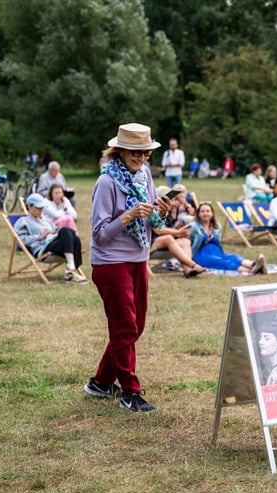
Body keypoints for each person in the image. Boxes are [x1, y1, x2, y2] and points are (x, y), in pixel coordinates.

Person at [84, 122, 175, 413]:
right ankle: (130, 391)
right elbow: (99, 233)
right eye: (135, 152)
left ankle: (100, 383)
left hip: (138, 258)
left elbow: (149, 221)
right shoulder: (107, 182)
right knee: (124, 326)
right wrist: (127, 215)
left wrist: (159, 210)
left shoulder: (144, 175)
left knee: (135, 327)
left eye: (145, 152)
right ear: (120, 150)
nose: (141, 158)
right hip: (110, 263)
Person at [15, 193, 87, 284]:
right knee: (66, 231)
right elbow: (20, 241)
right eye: (38, 208)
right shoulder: (23, 221)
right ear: (29, 206)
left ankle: (70, 270)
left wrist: (55, 232)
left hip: (55, 243)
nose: (41, 210)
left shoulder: (45, 220)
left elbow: (57, 230)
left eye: (42, 208)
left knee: (71, 235)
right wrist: (40, 236)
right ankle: (71, 269)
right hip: (43, 248)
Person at [189, 202, 266, 274]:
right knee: (222, 262)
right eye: (202, 211)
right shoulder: (194, 226)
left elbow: (218, 242)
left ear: (212, 214)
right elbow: (190, 242)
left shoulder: (217, 226)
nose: (205, 213)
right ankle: (256, 270)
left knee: (233, 256)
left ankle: (252, 264)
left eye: (207, 211)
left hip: (216, 252)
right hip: (201, 254)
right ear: (198, 214)